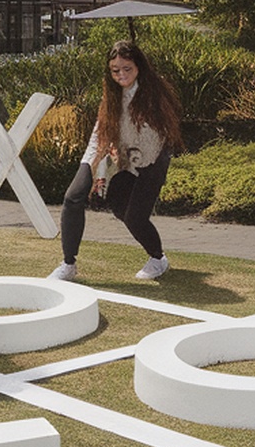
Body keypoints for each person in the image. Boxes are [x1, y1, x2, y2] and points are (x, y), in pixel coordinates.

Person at [50, 40, 183, 283]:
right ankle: (68, 264)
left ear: (138, 67)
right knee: (73, 197)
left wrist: (123, 155)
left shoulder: (153, 94)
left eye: (127, 69)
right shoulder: (110, 94)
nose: (121, 75)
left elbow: (156, 139)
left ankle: (157, 258)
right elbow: (101, 131)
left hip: (151, 159)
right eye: (115, 70)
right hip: (114, 153)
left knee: (133, 217)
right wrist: (94, 162)